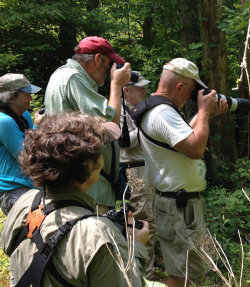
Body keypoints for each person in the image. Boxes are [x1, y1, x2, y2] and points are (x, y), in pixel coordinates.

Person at [0, 112, 149, 286]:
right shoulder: (97, 235)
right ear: (90, 165)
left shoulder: (25, 202)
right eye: (102, 151)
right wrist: (136, 247)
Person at [136, 58, 228, 287]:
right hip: (179, 207)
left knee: (190, 270)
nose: (192, 95)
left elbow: (185, 135)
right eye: (192, 89)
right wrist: (204, 111)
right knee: (182, 274)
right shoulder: (162, 113)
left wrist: (204, 113)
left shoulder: (161, 110)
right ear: (179, 86)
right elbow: (195, 148)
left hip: (180, 204)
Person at [44, 36, 131, 213]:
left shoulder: (63, 75)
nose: (110, 72)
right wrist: (116, 85)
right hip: (87, 186)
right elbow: (110, 127)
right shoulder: (74, 78)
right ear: (98, 58)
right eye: (110, 65)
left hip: (80, 181)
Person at [118, 71, 156, 279]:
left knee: (149, 218)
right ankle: (143, 275)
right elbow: (124, 142)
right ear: (126, 90)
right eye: (140, 86)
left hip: (145, 168)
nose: (144, 90)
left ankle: (144, 270)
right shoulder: (118, 110)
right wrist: (144, 125)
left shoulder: (134, 109)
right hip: (135, 170)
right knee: (143, 221)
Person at [0, 73, 44, 215]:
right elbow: (25, 155)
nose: (31, 98)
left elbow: (34, 141)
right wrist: (37, 126)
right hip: (13, 188)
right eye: (26, 94)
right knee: (29, 233)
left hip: (29, 184)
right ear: (11, 98)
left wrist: (38, 127)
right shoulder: (4, 121)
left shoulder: (23, 114)